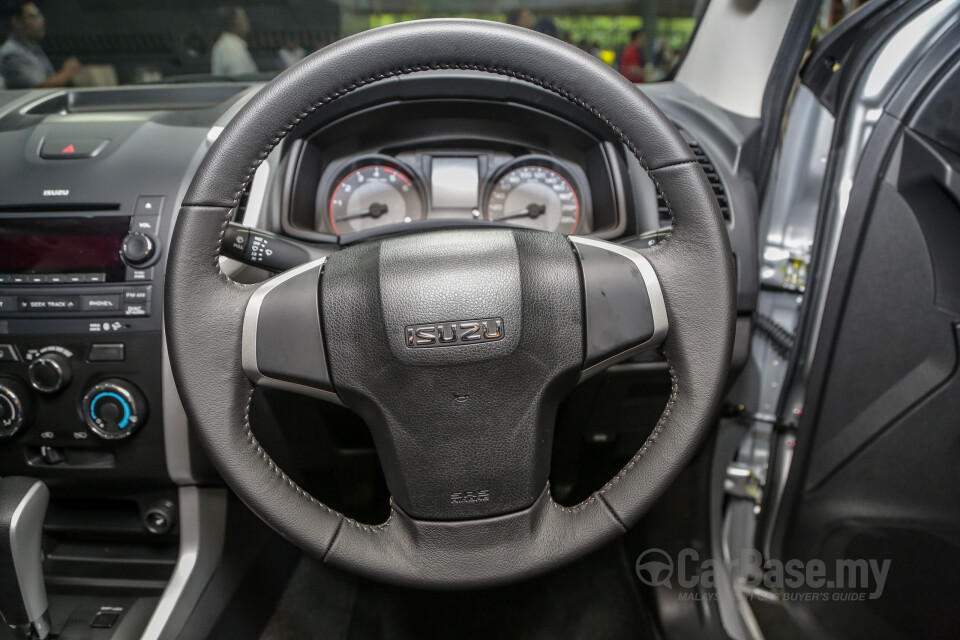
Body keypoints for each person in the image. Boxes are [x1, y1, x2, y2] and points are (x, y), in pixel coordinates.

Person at [0, 1, 80, 89]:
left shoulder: (32, 47)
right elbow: (40, 87)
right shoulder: (12, 54)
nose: (41, 21)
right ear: (16, 21)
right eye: (33, 17)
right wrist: (67, 72)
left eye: (40, 16)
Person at [211, 6, 257, 77]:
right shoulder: (230, 48)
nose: (247, 22)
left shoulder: (229, 44)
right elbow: (242, 79)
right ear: (234, 22)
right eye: (243, 19)